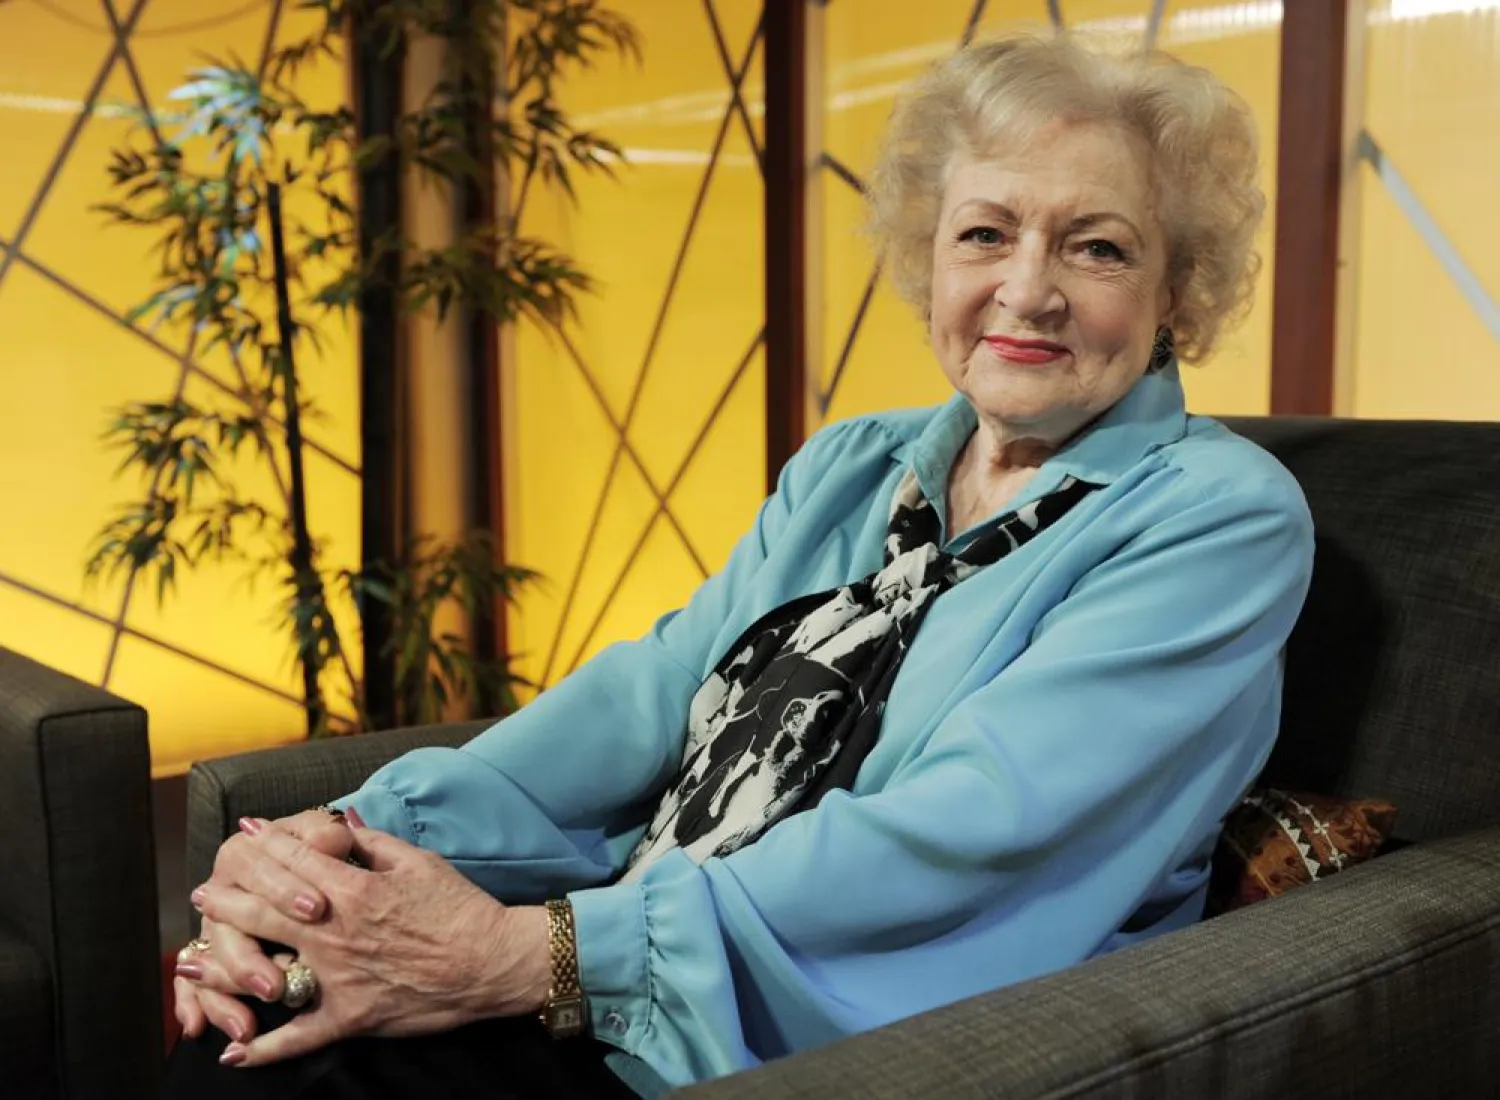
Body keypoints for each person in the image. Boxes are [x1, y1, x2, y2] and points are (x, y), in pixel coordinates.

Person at [164, 31, 1314, 1099]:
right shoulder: (857, 466)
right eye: (985, 232)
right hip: (628, 962)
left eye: (1098, 245)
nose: (1026, 288)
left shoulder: (1218, 519)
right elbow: (648, 697)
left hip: (826, 1031)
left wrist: (533, 953)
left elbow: (971, 830)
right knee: (245, 1028)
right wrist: (329, 852)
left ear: (1176, 293)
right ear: (928, 258)